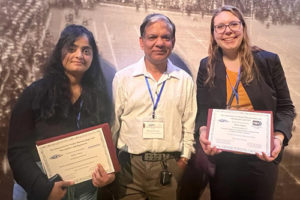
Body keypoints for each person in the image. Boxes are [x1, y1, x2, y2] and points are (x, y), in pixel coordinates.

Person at [197, 5, 295, 200]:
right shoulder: (206, 65)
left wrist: (278, 137)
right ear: (213, 33)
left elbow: (286, 108)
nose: (228, 31)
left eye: (234, 24)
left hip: (260, 158)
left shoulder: (268, 61)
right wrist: (203, 131)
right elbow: (202, 110)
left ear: (243, 27)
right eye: (221, 26)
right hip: (223, 158)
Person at [7, 24, 115, 200]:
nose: (79, 55)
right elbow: (17, 151)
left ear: (93, 57)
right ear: (60, 52)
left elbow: (104, 144)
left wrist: (107, 174)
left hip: (85, 192)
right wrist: (43, 188)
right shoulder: (34, 93)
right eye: (72, 49)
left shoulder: (99, 98)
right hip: (40, 190)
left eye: (86, 51)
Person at [111, 13, 196, 200]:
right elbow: (114, 124)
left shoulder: (184, 80)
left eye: (166, 37)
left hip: (168, 168)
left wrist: (183, 160)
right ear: (142, 42)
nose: (159, 43)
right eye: (152, 37)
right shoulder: (123, 78)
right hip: (130, 168)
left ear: (173, 42)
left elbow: (189, 124)